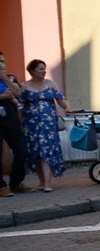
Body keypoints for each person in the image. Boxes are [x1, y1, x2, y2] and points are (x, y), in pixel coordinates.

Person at [20, 59, 69, 191]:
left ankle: (47, 183)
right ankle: (41, 183)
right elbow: (19, 104)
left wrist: (67, 108)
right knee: (35, 153)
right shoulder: (24, 86)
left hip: (48, 125)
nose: (44, 71)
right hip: (30, 124)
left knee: (45, 151)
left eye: (44, 68)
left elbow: (61, 100)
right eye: (41, 69)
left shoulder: (50, 84)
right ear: (32, 71)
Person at [0, 52, 28, 195]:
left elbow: (18, 93)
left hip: (10, 116)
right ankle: (1, 186)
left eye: (3, 61)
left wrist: (3, 77)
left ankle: (16, 182)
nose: (2, 64)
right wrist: (3, 96)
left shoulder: (8, 78)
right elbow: (8, 95)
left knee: (21, 149)